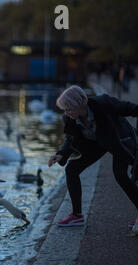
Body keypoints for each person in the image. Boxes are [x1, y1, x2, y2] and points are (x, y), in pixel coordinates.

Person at [48, 85, 138, 227]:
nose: (66, 112)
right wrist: (60, 154)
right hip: (96, 144)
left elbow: (130, 108)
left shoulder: (103, 103)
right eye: (64, 109)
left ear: (80, 103)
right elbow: (70, 138)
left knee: (120, 175)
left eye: (68, 108)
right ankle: (77, 216)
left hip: (117, 140)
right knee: (71, 169)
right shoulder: (70, 118)